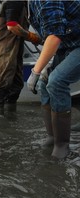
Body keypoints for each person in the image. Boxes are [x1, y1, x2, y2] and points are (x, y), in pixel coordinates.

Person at [27, 0, 80, 159]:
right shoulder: (31, 3)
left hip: (75, 43)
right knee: (45, 83)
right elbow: (50, 32)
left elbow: (55, 36)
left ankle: (62, 146)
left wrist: (35, 71)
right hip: (69, 44)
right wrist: (44, 65)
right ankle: (52, 137)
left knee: (56, 81)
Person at [0, 0, 42, 115]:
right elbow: (12, 26)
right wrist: (34, 37)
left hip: (16, 44)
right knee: (5, 82)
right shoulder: (14, 1)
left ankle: (10, 115)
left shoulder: (25, 3)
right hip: (4, 46)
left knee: (17, 84)